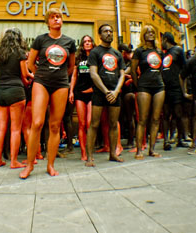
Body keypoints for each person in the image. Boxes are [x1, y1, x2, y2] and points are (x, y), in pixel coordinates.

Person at [19, 8, 76, 179]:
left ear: (62, 21)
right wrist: (41, 75)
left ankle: (50, 165)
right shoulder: (40, 39)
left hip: (60, 84)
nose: (56, 19)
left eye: (58, 17)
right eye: (52, 17)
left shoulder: (70, 42)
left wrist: (59, 77)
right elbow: (30, 63)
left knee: (54, 126)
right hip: (41, 82)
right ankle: (29, 165)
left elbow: (71, 67)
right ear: (48, 22)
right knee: (37, 123)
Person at [0, 28, 33, 168]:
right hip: (16, 91)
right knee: (15, 129)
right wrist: (34, 77)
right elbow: (25, 73)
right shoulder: (20, 53)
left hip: (0, 92)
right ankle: (14, 161)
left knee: (0, 128)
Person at [84, 24, 125, 166]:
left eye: (110, 31)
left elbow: (122, 74)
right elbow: (93, 74)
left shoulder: (117, 54)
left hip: (115, 93)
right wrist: (106, 91)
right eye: (105, 31)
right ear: (100, 35)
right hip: (99, 93)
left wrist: (116, 91)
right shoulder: (95, 52)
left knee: (113, 124)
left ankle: (113, 153)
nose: (109, 33)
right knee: (94, 124)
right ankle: (89, 157)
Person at [130, 25, 165, 160]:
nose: (150, 34)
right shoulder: (139, 51)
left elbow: (160, 69)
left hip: (159, 87)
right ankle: (139, 150)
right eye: (148, 32)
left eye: (152, 32)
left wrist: (159, 80)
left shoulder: (159, 51)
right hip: (144, 87)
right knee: (142, 120)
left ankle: (152, 149)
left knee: (156, 119)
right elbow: (133, 70)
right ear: (143, 35)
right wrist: (138, 85)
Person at [69, 35, 96, 161]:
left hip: (92, 92)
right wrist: (71, 92)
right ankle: (83, 153)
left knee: (90, 123)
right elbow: (74, 76)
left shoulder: (96, 57)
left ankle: (90, 150)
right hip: (79, 92)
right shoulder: (79, 58)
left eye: (89, 41)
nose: (87, 43)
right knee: (81, 123)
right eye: (85, 41)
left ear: (92, 43)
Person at [161, 32, 188, 150]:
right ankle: (166, 140)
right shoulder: (164, 54)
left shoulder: (178, 50)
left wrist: (184, 89)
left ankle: (180, 139)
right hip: (165, 88)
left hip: (176, 87)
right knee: (166, 114)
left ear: (166, 39)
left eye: (162, 39)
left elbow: (185, 69)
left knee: (178, 114)